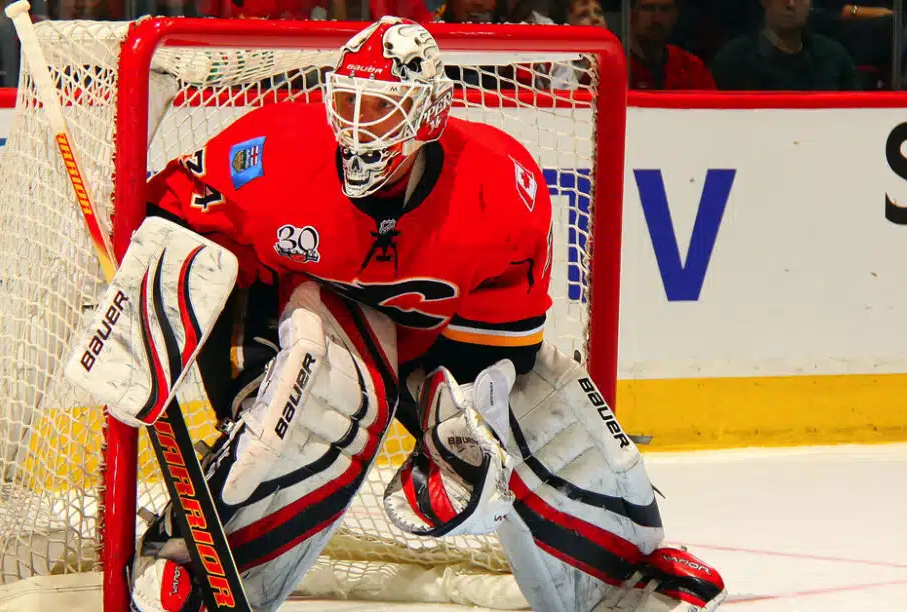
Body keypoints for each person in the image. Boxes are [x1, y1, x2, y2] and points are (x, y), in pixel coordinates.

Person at [127, 16, 727, 612]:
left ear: (429, 117)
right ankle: (185, 555)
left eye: (381, 111)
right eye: (349, 104)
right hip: (288, 309)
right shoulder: (275, 148)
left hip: (428, 342)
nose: (359, 130)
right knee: (318, 398)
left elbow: (500, 350)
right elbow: (178, 219)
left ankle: (616, 573)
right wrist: (143, 293)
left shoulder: (497, 188)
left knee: (541, 415)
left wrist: (454, 433)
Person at [710, 0, 860, 90]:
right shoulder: (734, 60)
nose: (791, 4)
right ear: (764, 1)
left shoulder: (834, 56)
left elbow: (857, 117)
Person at [629, 0, 716, 90]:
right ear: (630, 13)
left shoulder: (692, 69)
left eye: (665, 9)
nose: (657, 19)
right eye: (648, 8)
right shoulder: (616, 66)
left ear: (676, 14)